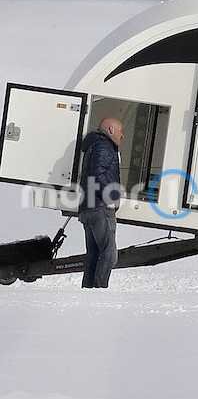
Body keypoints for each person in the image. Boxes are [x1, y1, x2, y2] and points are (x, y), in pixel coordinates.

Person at [76, 117, 123, 289]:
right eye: (120, 131)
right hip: (100, 207)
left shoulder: (93, 145)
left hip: (88, 207)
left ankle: (88, 291)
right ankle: (98, 290)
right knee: (110, 254)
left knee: (94, 254)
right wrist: (112, 195)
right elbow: (97, 174)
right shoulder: (104, 146)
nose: (122, 136)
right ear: (110, 130)